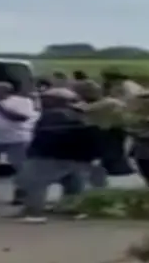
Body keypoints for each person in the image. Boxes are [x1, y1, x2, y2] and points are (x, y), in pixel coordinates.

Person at [14, 87, 102, 224]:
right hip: (79, 156)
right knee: (73, 185)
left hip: (49, 155)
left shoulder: (55, 114)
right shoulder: (81, 114)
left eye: (46, 99)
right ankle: (72, 210)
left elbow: (49, 135)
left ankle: (34, 212)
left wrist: (35, 150)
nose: (43, 101)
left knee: (33, 183)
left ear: (58, 101)